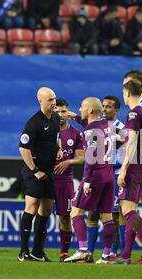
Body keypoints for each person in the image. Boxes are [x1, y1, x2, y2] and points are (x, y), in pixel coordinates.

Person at [111, 79, 142, 265]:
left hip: (133, 165)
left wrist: (123, 169)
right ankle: (126, 255)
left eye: (124, 93)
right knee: (129, 210)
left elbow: (132, 141)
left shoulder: (133, 113)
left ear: (127, 93)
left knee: (128, 211)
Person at [63, 97, 116, 264]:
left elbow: (91, 158)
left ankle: (83, 250)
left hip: (95, 176)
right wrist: (75, 118)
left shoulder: (89, 132)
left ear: (91, 110)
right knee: (107, 216)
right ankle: (107, 255)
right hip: (109, 174)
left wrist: (86, 181)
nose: (79, 109)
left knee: (76, 211)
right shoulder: (107, 125)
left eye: (82, 107)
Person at [18, 87, 61, 262]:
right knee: (32, 206)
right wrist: (35, 171)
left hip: (49, 171)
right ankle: (23, 251)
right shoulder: (34, 122)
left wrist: (58, 149)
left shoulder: (56, 118)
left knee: (46, 210)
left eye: (54, 98)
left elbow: (56, 138)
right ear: (40, 102)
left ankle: (37, 251)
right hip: (34, 172)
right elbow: (23, 148)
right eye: (50, 100)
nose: (54, 102)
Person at [85, 95, 125, 261]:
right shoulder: (98, 126)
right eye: (103, 106)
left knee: (115, 215)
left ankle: (116, 252)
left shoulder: (121, 129)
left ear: (116, 110)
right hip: (99, 174)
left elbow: (124, 151)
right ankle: (89, 252)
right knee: (93, 213)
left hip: (115, 174)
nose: (105, 109)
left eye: (109, 106)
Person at [53, 98, 84, 261]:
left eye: (63, 111)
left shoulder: (75, 134)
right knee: (41, 215)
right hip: (46, 179)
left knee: (65, 217)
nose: (60, 114)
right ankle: (37, 251)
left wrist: (68, 161)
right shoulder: (44, 129)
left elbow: (81, 158)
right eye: (57, 111)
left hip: (65, 181)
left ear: (68, 112)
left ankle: (64, 252)